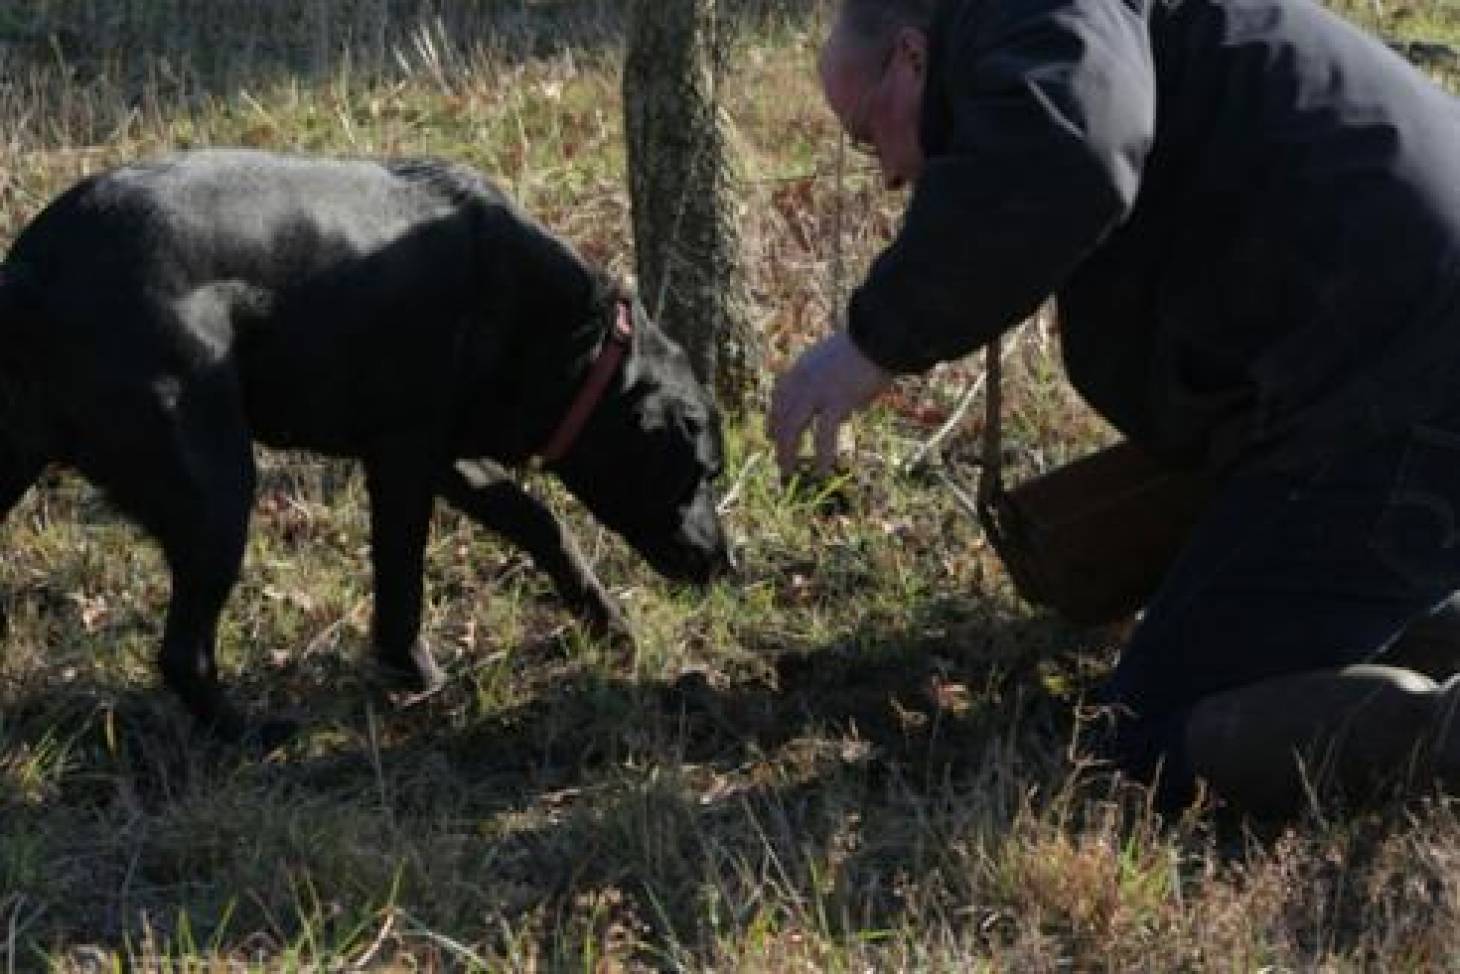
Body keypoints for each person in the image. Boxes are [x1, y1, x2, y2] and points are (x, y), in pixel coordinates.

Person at [770, 0, 1460, 815]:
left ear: (912, 60)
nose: (885, 171)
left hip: (1397, 382)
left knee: (1144, 736)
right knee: (1310, 600)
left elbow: (1075, 160)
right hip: (1388, 360)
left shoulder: (1039, 17)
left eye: (866, 134)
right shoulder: (1057, 35)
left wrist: (873, 343)